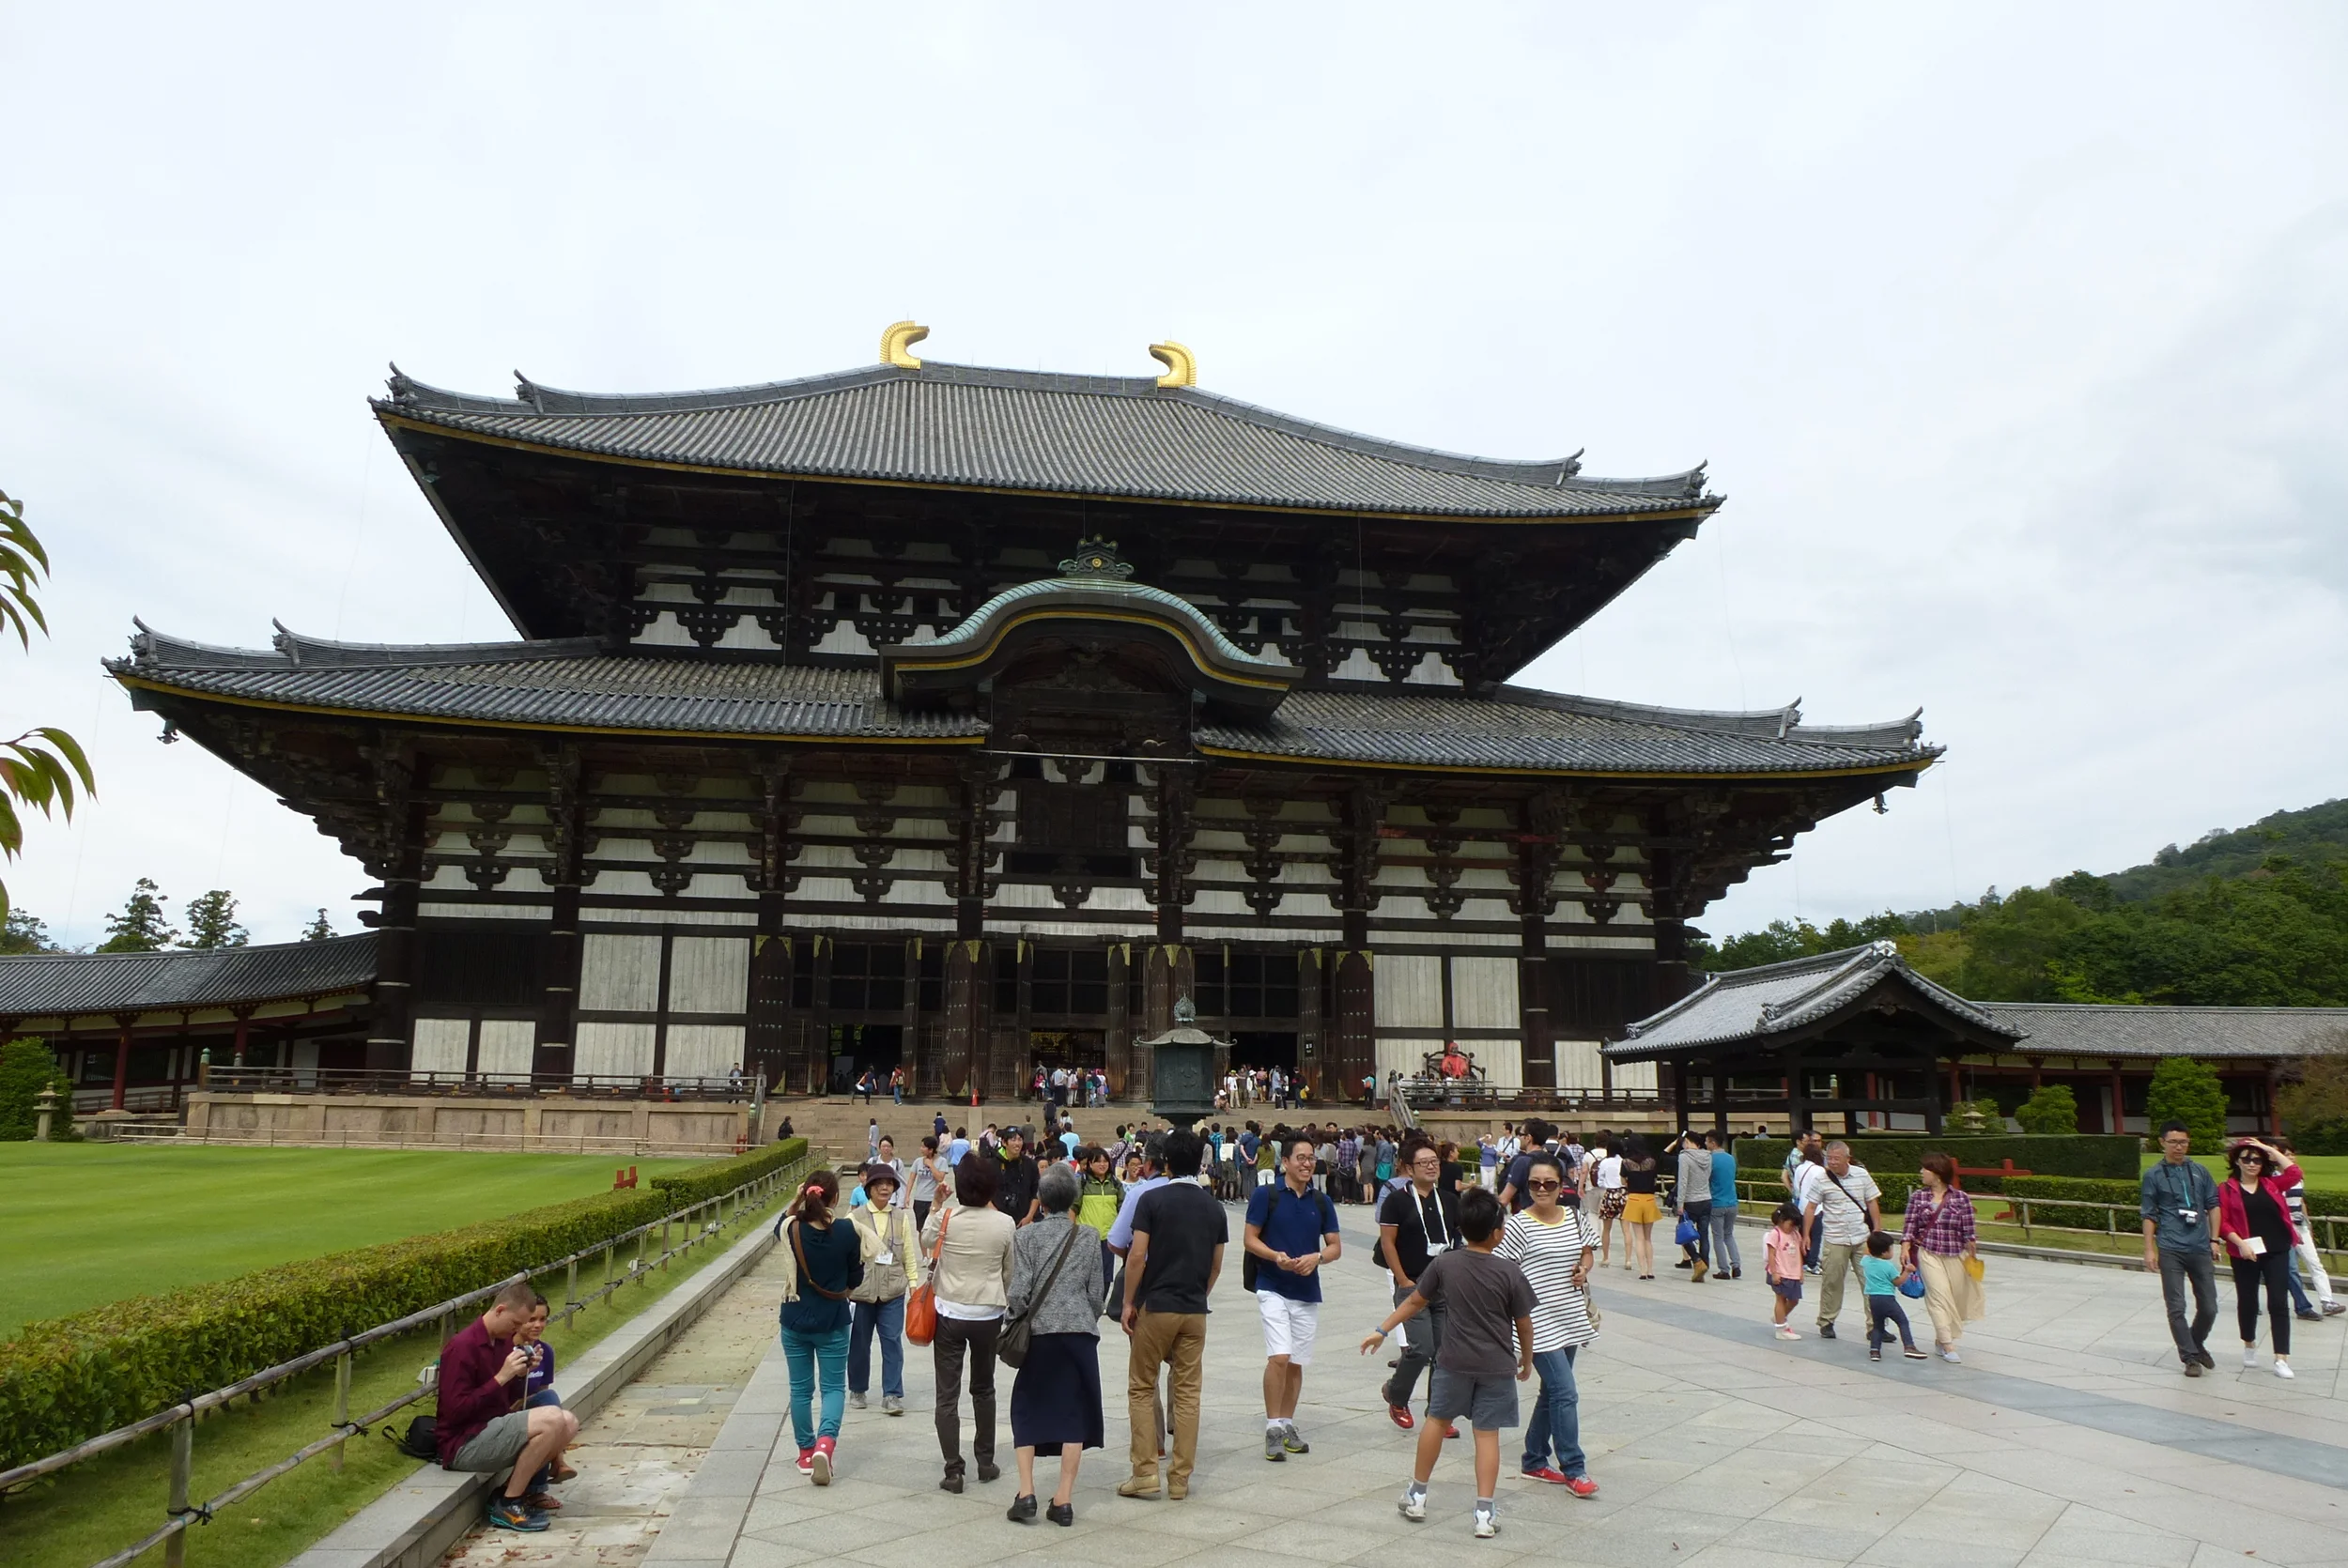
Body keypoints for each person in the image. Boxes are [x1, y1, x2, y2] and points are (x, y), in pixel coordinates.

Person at [1362, 1187, 1537, 1540]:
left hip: (1453, 1361)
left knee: (1436, 1422)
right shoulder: (1510, 1272)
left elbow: (1414, 1303)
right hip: (1496, 1364)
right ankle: (1484, 1512)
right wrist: (1527, 1359)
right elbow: (1523, 1323)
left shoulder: (1444, 1264)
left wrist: (1382, 1330)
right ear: (1497, 1232)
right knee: (1487, 1435)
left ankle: (1417, 1494)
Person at [1119, 1130, 1228, 1500]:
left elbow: (1136, 1255)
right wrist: (1199, 1294)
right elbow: (1216, 1266)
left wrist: (1129, 1302)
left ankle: (1145, 1471)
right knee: (1187, 1394)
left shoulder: (1152, 1199)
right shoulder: (1214, 1207)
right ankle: (1180, 1479)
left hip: (1158, 1304)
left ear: (1165, 1163)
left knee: (1142, 1386)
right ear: (1199, 1164)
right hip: (1194, 1309)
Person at [1001, 1163, 1106, 1526]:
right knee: (1073, 1412)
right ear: (1073, 1199)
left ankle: (1026, 1491)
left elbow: (1019, 1291)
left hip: (1040, 1334)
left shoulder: (1026, 1237)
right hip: (1078, 1334)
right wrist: (1081, 1316)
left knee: (1027, 1406)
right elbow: (1097, 1294)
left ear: (1042, 1201)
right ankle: (1063, 1499)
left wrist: (1013, 1318)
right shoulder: (1090, 1237)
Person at [435, 1283, 580, 1531]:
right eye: (515, 1324)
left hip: (493, 1428)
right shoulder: (462, 1347)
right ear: (500, 1310)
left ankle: (508, 1494)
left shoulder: (501, 1343)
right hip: (464, 1443)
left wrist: (523, 1373)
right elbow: (454, 1411)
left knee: (568, 1422)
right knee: (552, 1419)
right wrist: (500, 1378)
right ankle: (508, 1503)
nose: (518, 1330)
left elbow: (506, 1396)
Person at [1498, 1152, 1599, 1497]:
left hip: (1568, 1313)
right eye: (1535, 1184)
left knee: (1552, 1392)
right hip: (1534, 1320)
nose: (1542, 1189)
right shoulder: (1518, 1225)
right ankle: (1574, 1467)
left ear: (1562, 1185)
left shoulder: (1573, 1217)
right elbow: (1503, 1272)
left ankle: (1534, 1459)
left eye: (1549, 1183)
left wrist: (1584, 1268)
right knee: (1565, 1392)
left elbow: (1587, 1251)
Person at [1246, 1132, 1343, 1461]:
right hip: (1272, 1285)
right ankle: (1273, 1426)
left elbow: (1335, 1246)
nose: (1306, 1163)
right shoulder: (1266, 1195)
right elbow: (1249, 1239)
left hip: (1307, 1290)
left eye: (1310, 1158)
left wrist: (1317, 1258)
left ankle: (1287, 1423)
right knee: (1280, 1356)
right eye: (1300, 1158)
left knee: (1297, 1361)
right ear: (1284, 1162)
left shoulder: (1321, 1201)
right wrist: (1276, 1256)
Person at [923, 1154, 1017, 1491]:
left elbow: (925, 1241)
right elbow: (1010, 1272)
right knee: (984, 1388)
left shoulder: (948, 1217)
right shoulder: (1005, 1223)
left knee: (947, 1394)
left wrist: (936, 1204)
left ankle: (953, 1469)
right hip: (988, 1312)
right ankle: (986, 1460)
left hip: (950, 1311)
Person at [777, 1169, 862, 1484]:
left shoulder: (793, 1228)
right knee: (833, 1388)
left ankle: (805, 1452)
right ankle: (826, 1444)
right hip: (833, 1320)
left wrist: (796, 1199)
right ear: (835, 1198)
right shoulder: (846, 1231)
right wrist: (843, 1294)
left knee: (800, 1390)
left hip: (795, 1318)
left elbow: (778, 1227)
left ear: (808, 1194)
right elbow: (855, 1277)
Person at [1378, 1140, 1464, 1431]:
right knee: (1420, 1348)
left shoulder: (1450, 1201)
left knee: (1444, 1351)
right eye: (1423, 1162)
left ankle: (1437, 1413)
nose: (1430, 1166)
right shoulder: (1396, 1201)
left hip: (1443, 1285)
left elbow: (1458, 1240)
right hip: (1412, 1283)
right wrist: (1403, 1280)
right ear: (1408, 1168)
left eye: (1434, 1161)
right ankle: (1397, 1394)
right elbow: (1388, 1244)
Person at [2140, 1118, 2224, 1376]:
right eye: (2174, 1142)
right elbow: (2149, 1213)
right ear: (2162, 1143)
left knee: (2209, 1305)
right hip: (2171, 1246)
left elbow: (2213, 1205)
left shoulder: (2200, 1171)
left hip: (2199, 1245)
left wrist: (2214, 1239)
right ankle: (2190, 1357)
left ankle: (2195, 1343)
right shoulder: (2153, 1175)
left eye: (2184, 1142)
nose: (2179, 1147)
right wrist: (2149, 1249)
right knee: (2176, 1306)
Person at [2217, 1137, 2302, 1377]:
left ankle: (2281, 1358)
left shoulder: (2272, 1184)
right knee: (2248, 1301)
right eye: (2246, 1158)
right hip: (2245, 1251)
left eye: (2257, 1159)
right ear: (2237, 1161)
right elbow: (2223, 1222)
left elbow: (2295, 1172)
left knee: (2278, 1302)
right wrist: (2240, 1243)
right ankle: (2249, 1343)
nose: (2252, 1163)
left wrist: (2267, 1148)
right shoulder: (2226, 1188)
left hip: (2276, 1248)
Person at [846, 1163, 920, 1416]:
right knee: (859, 1343)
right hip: (862, 1291)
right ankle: (857, 1388)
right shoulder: (855, 1218)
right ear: (869, 1188)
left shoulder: (900, 1217)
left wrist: (913, 1284)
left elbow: (908, 1253)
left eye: (889, 1184)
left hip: (893, 1291)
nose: (885, 1188)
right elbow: (845, 1254)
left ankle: (892, 1394)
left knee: (892, 1343)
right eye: (879, 1184)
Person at [1902, 1152, 1982, 1362]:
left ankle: (1940, 1338)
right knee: (1938, 1297)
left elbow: (1969, 1230)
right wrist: (1904, 1247)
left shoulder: (1960, 1198)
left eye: (1924, 1169)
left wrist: (1972, 1251)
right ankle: (1948, 1344)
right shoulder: (1918, 1197)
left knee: (1954, 1299)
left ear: (1937, 1173)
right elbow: (1909, 1227)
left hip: (1955, 1254)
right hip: (1928, 1253)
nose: (1921, 1173)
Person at [1803, 1141, 1883, 1340]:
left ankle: (1875, 1325)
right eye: (1829, 1159)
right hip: (1835, 1237)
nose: (1832, 1162)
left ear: (1848, 1158)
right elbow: (1811, 1207)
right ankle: (1826, 1321)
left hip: (1861, 1236)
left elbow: (1871, 1201)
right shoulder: (1822, 1178)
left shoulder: (1861, 1175)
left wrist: (1878, 1229)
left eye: (1836, 1159)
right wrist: (1805, 1235)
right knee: (1832, 1282)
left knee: (1871, 1281)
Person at [2272, 1137, 2343, 1319]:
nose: (2291, 1158)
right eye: (2286, 1155)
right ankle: (2300, 1304)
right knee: (2290, 1268)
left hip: (2300, 1225)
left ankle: (2327, 1301)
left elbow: (2301, 1202)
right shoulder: (2272, 1178)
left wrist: (2308, 1222)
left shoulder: (2298, 1177)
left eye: (2292, 1155)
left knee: (2315, 1263)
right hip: (2283, 1228)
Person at [1860, 1230, 1926, 1362]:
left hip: (1873, 1298)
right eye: (1891, 1249)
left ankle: (1874, 1351)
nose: (1892, 1252)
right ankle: (1909, 1346)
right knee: (1902, 1321)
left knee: (1878, 1326)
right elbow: (1897, 1282)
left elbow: (1867, 1253)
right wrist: (1907, 1271)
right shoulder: (1888, 1266)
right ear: (1884, 1252)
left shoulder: (1866, 1261)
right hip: (1887, 1299)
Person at [1076, 1146, 1124, 1309]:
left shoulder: (1115, 1184)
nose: (1102, 1165)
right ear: (1090, 1164)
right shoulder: (1082, 1183)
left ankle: (1099, 1304)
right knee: (1086, 1274)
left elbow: (1122, 1208)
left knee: (1106, 1276)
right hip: (1086, 1238)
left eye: (1105, 1161)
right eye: (1098, 1161)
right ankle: (1084, 1304)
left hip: (1108, 1238)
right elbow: (1072, 1208)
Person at [1670, 1131, 1712, 1282]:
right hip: (1706, 1199)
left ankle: (1696, 1261)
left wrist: (1680, 1204)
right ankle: (1704, 1265)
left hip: (1690, 1201)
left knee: (1684, 1234)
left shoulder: (1684, 1157)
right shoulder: (1708, 1156)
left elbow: (1683, 1181)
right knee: (1704, 1235)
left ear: (1687, 1141)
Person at [1618, 1135, 1661, 1279]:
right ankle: (1650, 1270)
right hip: (1649, 1199)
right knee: (1648, 1238)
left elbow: (1623, 1181)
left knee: (1639, 1237)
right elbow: (1654, 1179)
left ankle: (1642, 1271)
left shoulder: (1626, 1163)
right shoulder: (1652, 1162)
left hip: (1634, 1199)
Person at [1763, 1203, 1805, 1341]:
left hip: (1792, 1272)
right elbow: (1771, 1255)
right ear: (1781, 1220)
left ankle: (1778, 1317)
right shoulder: (1775, 1234)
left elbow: (1799, 1253)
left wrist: (1800, 1272)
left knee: (1794, 1300)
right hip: (1780, 1272)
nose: (1792, 1228)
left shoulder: (1795, 1234)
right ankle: (1781, 1328)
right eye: (1791, 1224)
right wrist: (1774, 1272)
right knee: (1781, 1299)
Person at [1705, 1131, 1741, 1280]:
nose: (1705, 1144)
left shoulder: (1709, 1160)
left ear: (1713, 1143)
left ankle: (1724, 1269)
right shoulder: (1731, 1158)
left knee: (1718, 1237)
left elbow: (1706, 1179)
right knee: (1729, 1235)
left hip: (1717, 1202)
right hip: (1732, 1201)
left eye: (1707, 1142)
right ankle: (1736, 1264)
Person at [1590, 1138, 1626, 1268]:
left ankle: (1606, 1258)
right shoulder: (1624, 1161)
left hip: (1610, 1193)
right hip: (1623, 1193)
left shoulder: (1605, 1162)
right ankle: (1628, 1260)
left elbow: (1600, 1181)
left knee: (1606, 1228)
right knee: (1626, 1229)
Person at [995, 1127, 1042, 1225]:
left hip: (1025, 1220)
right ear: (1004, 1142)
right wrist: (997, 1217)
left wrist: (1029, 1217)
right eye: (1013, 1139)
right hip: (998, 1222)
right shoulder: (991, 1164)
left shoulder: (1030, 1164)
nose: (1017, 1143)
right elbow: (985, 1194)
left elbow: (1036, 1193)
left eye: (1020, 1140)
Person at [911, 1134, 950, 1231]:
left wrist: (930, 1165)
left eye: (924, 1147)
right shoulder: (918, 1161)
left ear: (931, 1150)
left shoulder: (942, 1161)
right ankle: (923, 1247)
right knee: (921, 1229)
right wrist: (907, 1196)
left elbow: (940, 1178)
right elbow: (911, 1179)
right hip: (919, 1199)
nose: (921, 1149)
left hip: (934, 1200)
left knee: (933, 1228)